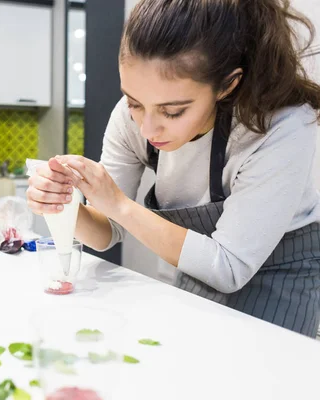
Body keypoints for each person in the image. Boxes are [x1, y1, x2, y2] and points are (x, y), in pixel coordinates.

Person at [27, 0, 320, 337]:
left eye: (173, 111)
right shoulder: (130, 117)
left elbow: (228, 267)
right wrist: (63, 206)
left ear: (227, 85)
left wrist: (119, 204)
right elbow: (107, 232)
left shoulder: (281, 125)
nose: (148, 130)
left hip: (279, 274)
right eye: (135, 103)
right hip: (200, 269)